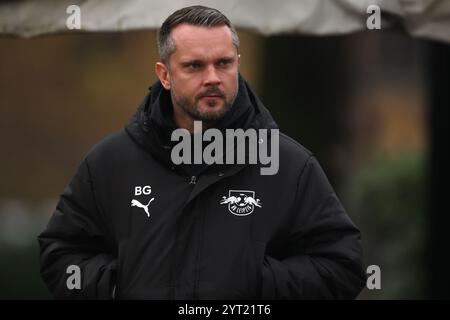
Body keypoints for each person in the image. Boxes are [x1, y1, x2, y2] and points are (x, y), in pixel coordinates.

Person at [38, 5, 366, 299]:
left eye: (223, 63)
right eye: (194, 66)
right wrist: (120, 285)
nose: (212, 78)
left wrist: (253, 284)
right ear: (164, 75)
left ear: (237, 63)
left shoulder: (290, 166)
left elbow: (342, 268)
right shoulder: (108, 164)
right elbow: (61, 255)